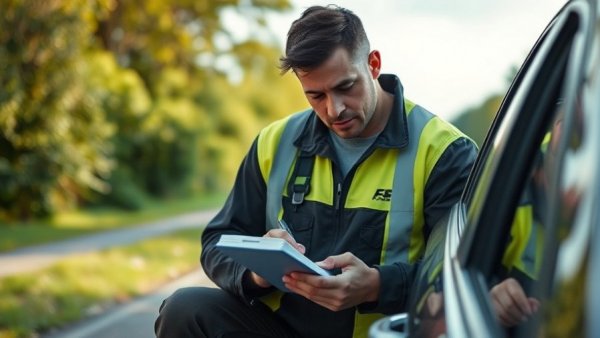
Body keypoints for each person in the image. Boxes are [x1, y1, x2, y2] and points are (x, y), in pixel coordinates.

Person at [154, 5, 477, 338]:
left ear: (373, 64)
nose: (333, 109)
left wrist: (377, 286)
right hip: (282, 330)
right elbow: (217, 242)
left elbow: (463, 271)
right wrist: (257, 273)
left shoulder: (444, 152)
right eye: (316, 95)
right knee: (185, 308)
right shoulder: (275, 142)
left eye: (345, 87)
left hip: (384, 333)